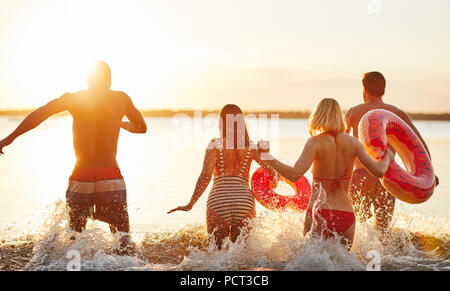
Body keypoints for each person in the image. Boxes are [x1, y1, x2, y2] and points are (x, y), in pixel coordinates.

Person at [0, 61, 147, 253]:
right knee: (123, 241)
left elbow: (40, 114)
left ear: (87, 79)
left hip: (81, 177)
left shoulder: (74, 99)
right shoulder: (121, 99)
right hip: (110, 176)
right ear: (109, 81)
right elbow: (141, 127)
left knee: (74, 238)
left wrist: (8, 139)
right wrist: (118, 123)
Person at [258, 98, 394, 249]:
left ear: (318, 115)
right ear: (339, 117)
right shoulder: (353, 143)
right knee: (343, 264)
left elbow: (294, 174)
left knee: (310, 261)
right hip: (346, 214)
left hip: (320, 211)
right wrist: (387, 156)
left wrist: (267, 156)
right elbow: (379, 171)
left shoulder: (314, 143)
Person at [168, 104, 275, 249]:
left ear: (221, 122)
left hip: (219, 199)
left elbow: (205, 175)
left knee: (217, 254)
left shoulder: (215, 144)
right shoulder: (251, 147)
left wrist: (190, 204)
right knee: (242, 255)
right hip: (244, 200)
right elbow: (273, 174)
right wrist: (266, 152)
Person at [345, 71, 438, 233]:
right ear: (384, 90)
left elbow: (342, 146)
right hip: (389, 179)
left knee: (359, 229)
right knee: (383, 232)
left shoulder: (353, 113)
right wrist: (429, 174)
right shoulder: (397, 114)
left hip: (362, 175)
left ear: (364, 90)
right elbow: (419, 145)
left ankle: (360, 258)